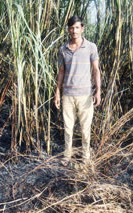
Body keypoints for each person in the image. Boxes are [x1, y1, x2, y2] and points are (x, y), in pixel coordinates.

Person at [54, 15, 101, 166]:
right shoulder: (63, 48)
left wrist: (98, 91)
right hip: (67, 95)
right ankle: (67, 156)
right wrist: (57, 91)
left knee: (85, 129)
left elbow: (96, 70)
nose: (74, 31)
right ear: (68, 29)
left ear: (82, 29)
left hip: (85, 95)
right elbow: (61, 72)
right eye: (71, 28)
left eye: (77, 27)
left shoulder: (91, 47)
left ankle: (85, 157)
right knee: (67, 128)